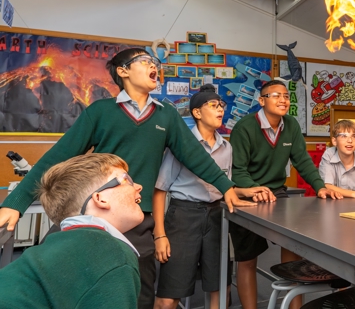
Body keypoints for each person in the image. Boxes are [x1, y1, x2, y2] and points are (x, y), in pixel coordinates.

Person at [0, 48, 252, 309]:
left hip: (138, 220)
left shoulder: (167, 114)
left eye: (155, 61)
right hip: (94, 214)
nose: (154, 65)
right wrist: (15, 202)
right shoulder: (100, 111)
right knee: (70, 281)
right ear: (123, 71)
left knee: (139, 293)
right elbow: (56, 160)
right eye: (145, 61)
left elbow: (195, 157)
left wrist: (227, 187)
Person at [153, 85, 275, 309]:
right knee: (169, 296)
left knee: (221, 288)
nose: (220, 110)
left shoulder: (226, 148)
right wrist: (159, 234)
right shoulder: (180, 145)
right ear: (197, 113)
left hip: (217, 217)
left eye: (222, 105)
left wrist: (246, 191)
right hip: (183, 218)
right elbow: (160, 190)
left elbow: (223, 187)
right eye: (213, 105)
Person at [229, 79, 342, 309]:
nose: (283, 100)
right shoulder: (244, 127)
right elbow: (237, 171)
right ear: (262, 101)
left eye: (286, 96)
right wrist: (254, 189)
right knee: (247, 259)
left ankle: (294, 307)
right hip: (247, 196)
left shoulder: (290, 125)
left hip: (277, 194)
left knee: (291, 248)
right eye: (276, 95)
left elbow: (303, 161)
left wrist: (320, 186)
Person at [0, 153, 143, 309]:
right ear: (100, 199)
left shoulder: (56, 247)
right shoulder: (113, 254)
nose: (138, 186)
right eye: (126, 180)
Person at [319, 119, 355, 201]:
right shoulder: (329, 155)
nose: (350, 141)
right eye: (344, 136)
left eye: (354, 136)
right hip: (331, 208)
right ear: (334, 141)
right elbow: (327, 186)